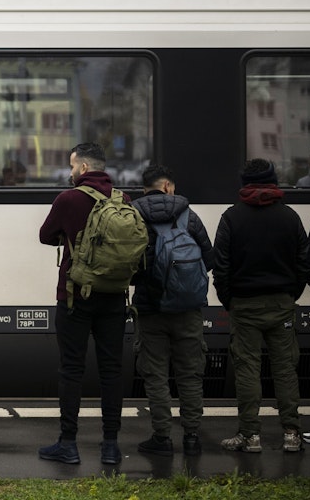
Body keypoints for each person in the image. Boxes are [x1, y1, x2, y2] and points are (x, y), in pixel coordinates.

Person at [37, 142, 128, 466]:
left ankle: (68, 443)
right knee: (112, 371)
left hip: (75, 296)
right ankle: (111, 446)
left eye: (73, 166)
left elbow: (46, 235)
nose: (71, 171)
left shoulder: (69, 199)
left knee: (72, 370)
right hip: (114, 297)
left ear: (85, 168)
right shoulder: (122, 200)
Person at [214, 159, 310, 453]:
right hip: (281, 303)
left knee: (247, 369)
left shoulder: (232, 217)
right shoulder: (289, 217)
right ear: (273, 181)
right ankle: (292, 433)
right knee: (284, 370)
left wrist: (228, 298)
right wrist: (290, 295)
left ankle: (250, 436)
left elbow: (221, 266)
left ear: (244, 183)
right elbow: (303, 262)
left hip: (244, 305)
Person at [129, 164, 215, 457]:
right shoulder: (190, 216)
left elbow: (129, 266)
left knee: (155, 376)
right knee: (190, 375)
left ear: (145, 189)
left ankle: (162, 438)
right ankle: (192, 437)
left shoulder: (134, 216)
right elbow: (209, 257)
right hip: (188, 309)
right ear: (168, 186)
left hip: (150, 309)